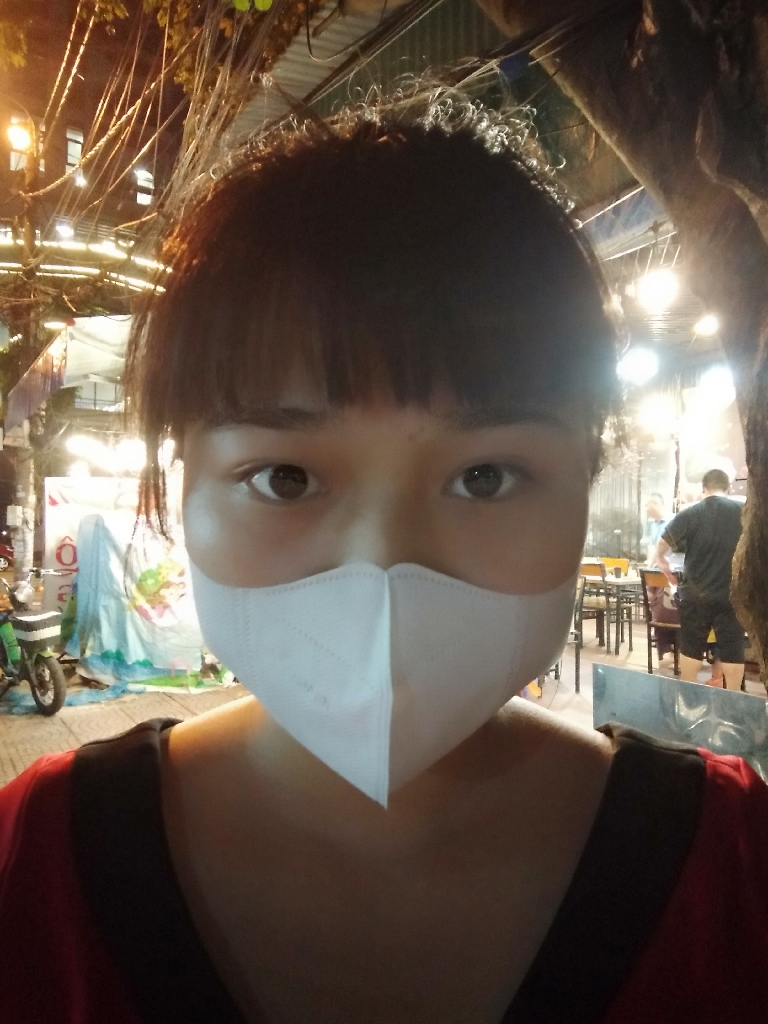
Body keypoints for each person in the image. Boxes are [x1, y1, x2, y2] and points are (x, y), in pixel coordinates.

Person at [2, 95, 768, 1024]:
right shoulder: (34, 857)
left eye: (485, 476)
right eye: (285, 477)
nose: (384, 570)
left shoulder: (737, 866)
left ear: (584, 480)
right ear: (182, 487)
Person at [656, 468, 746, 690]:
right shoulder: (743, 512)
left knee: (691, 647)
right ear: (728, 488)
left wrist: (662, 561)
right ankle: (733, 697)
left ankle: (688, 695)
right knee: (733, 649)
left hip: (695, 593)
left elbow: (663, 543)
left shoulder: (691, 513)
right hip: (732, 595)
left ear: (703, 488)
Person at [642, 492, 668, 565]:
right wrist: (649, 565)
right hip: (657, 567)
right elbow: (652, 547)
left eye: (646, 505)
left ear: (655, 504)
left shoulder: (672, 521)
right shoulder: (654, 525)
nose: (645, 510)